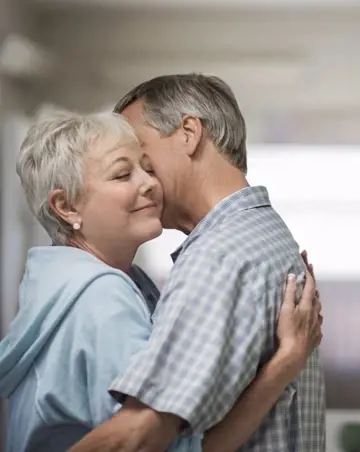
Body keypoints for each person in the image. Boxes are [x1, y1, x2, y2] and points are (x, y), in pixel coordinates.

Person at [0, 112, 322, 452]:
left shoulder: (62, 283)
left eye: (147, 167)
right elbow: (162, 447)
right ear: (66, 206)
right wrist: (285, 363)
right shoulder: (100, 298)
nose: (150, 183)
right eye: (123, 174)